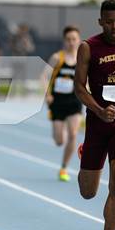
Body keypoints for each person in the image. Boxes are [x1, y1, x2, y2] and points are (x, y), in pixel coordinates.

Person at [74, 0, 115, 230]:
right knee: (87, 192)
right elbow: (79, 88)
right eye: (109, 21)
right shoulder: (88, 47)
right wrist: (97, 109)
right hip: (98, 123)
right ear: (100, 22)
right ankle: (86, 153)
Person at [45, 26, 82, 181]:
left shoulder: (82, 59)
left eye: (74, 39)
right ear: (64, 41)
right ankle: (62, 134)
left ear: (78, 40)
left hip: (74, 101)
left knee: (73, 134)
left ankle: (64, 168)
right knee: (60, 141)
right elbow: (44, 76)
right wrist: (47, 94)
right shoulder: (57, 58)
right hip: (57, 102)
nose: (72, 42)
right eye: (69, 39)